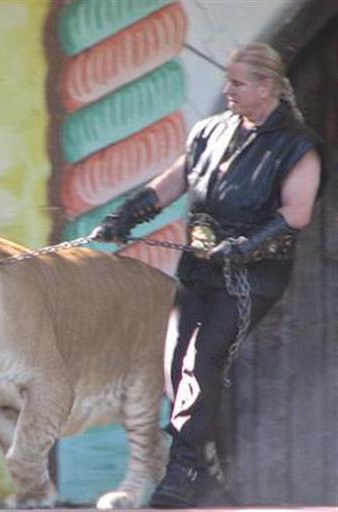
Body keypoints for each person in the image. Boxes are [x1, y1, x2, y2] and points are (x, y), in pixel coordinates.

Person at [91, 42, 322, 507]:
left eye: (237, 83)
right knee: (177, 365)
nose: (228, 90)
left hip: (252, 276)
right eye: (228, 80)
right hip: (198, 266)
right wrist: (126, 216)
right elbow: (173, 182)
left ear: (266, 86)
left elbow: (296, 213)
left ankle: (181, 473)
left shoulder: (298, 146)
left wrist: (244, 248)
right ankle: (213, 473)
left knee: (202, 359)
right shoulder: (210, 131)